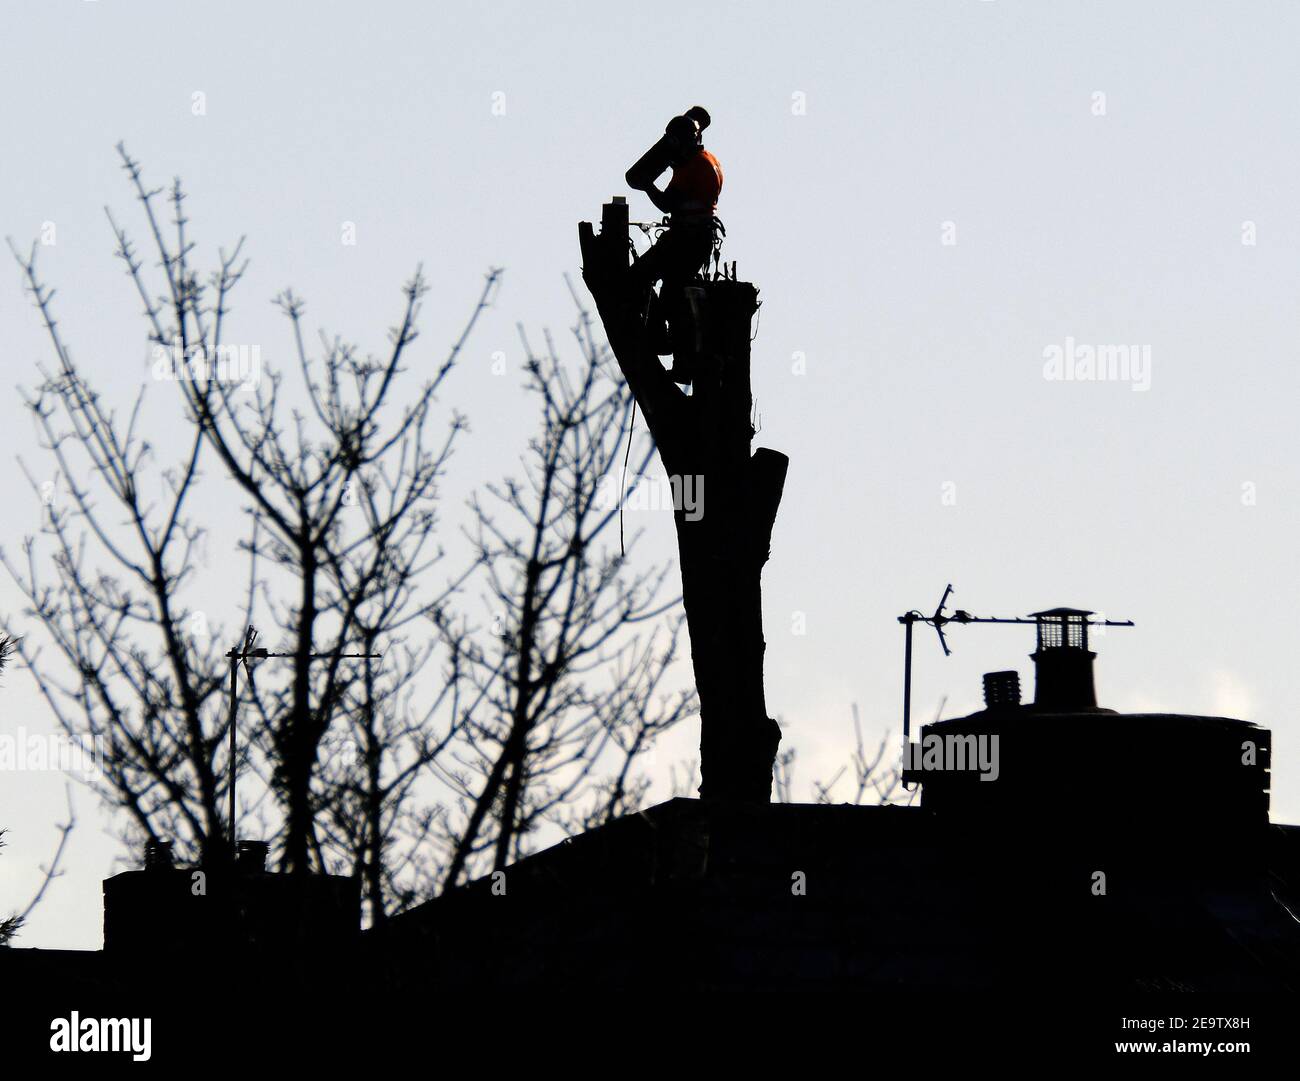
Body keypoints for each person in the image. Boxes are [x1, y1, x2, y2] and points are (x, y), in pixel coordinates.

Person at [625, 107, 723, 381]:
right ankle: (675, 354)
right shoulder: (707, 160)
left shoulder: (692, 168)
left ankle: (662, 341)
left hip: (686, 239)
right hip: (695, 237)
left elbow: (667, 203)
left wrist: (647, 186)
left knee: (640, 280)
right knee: (673, 294)